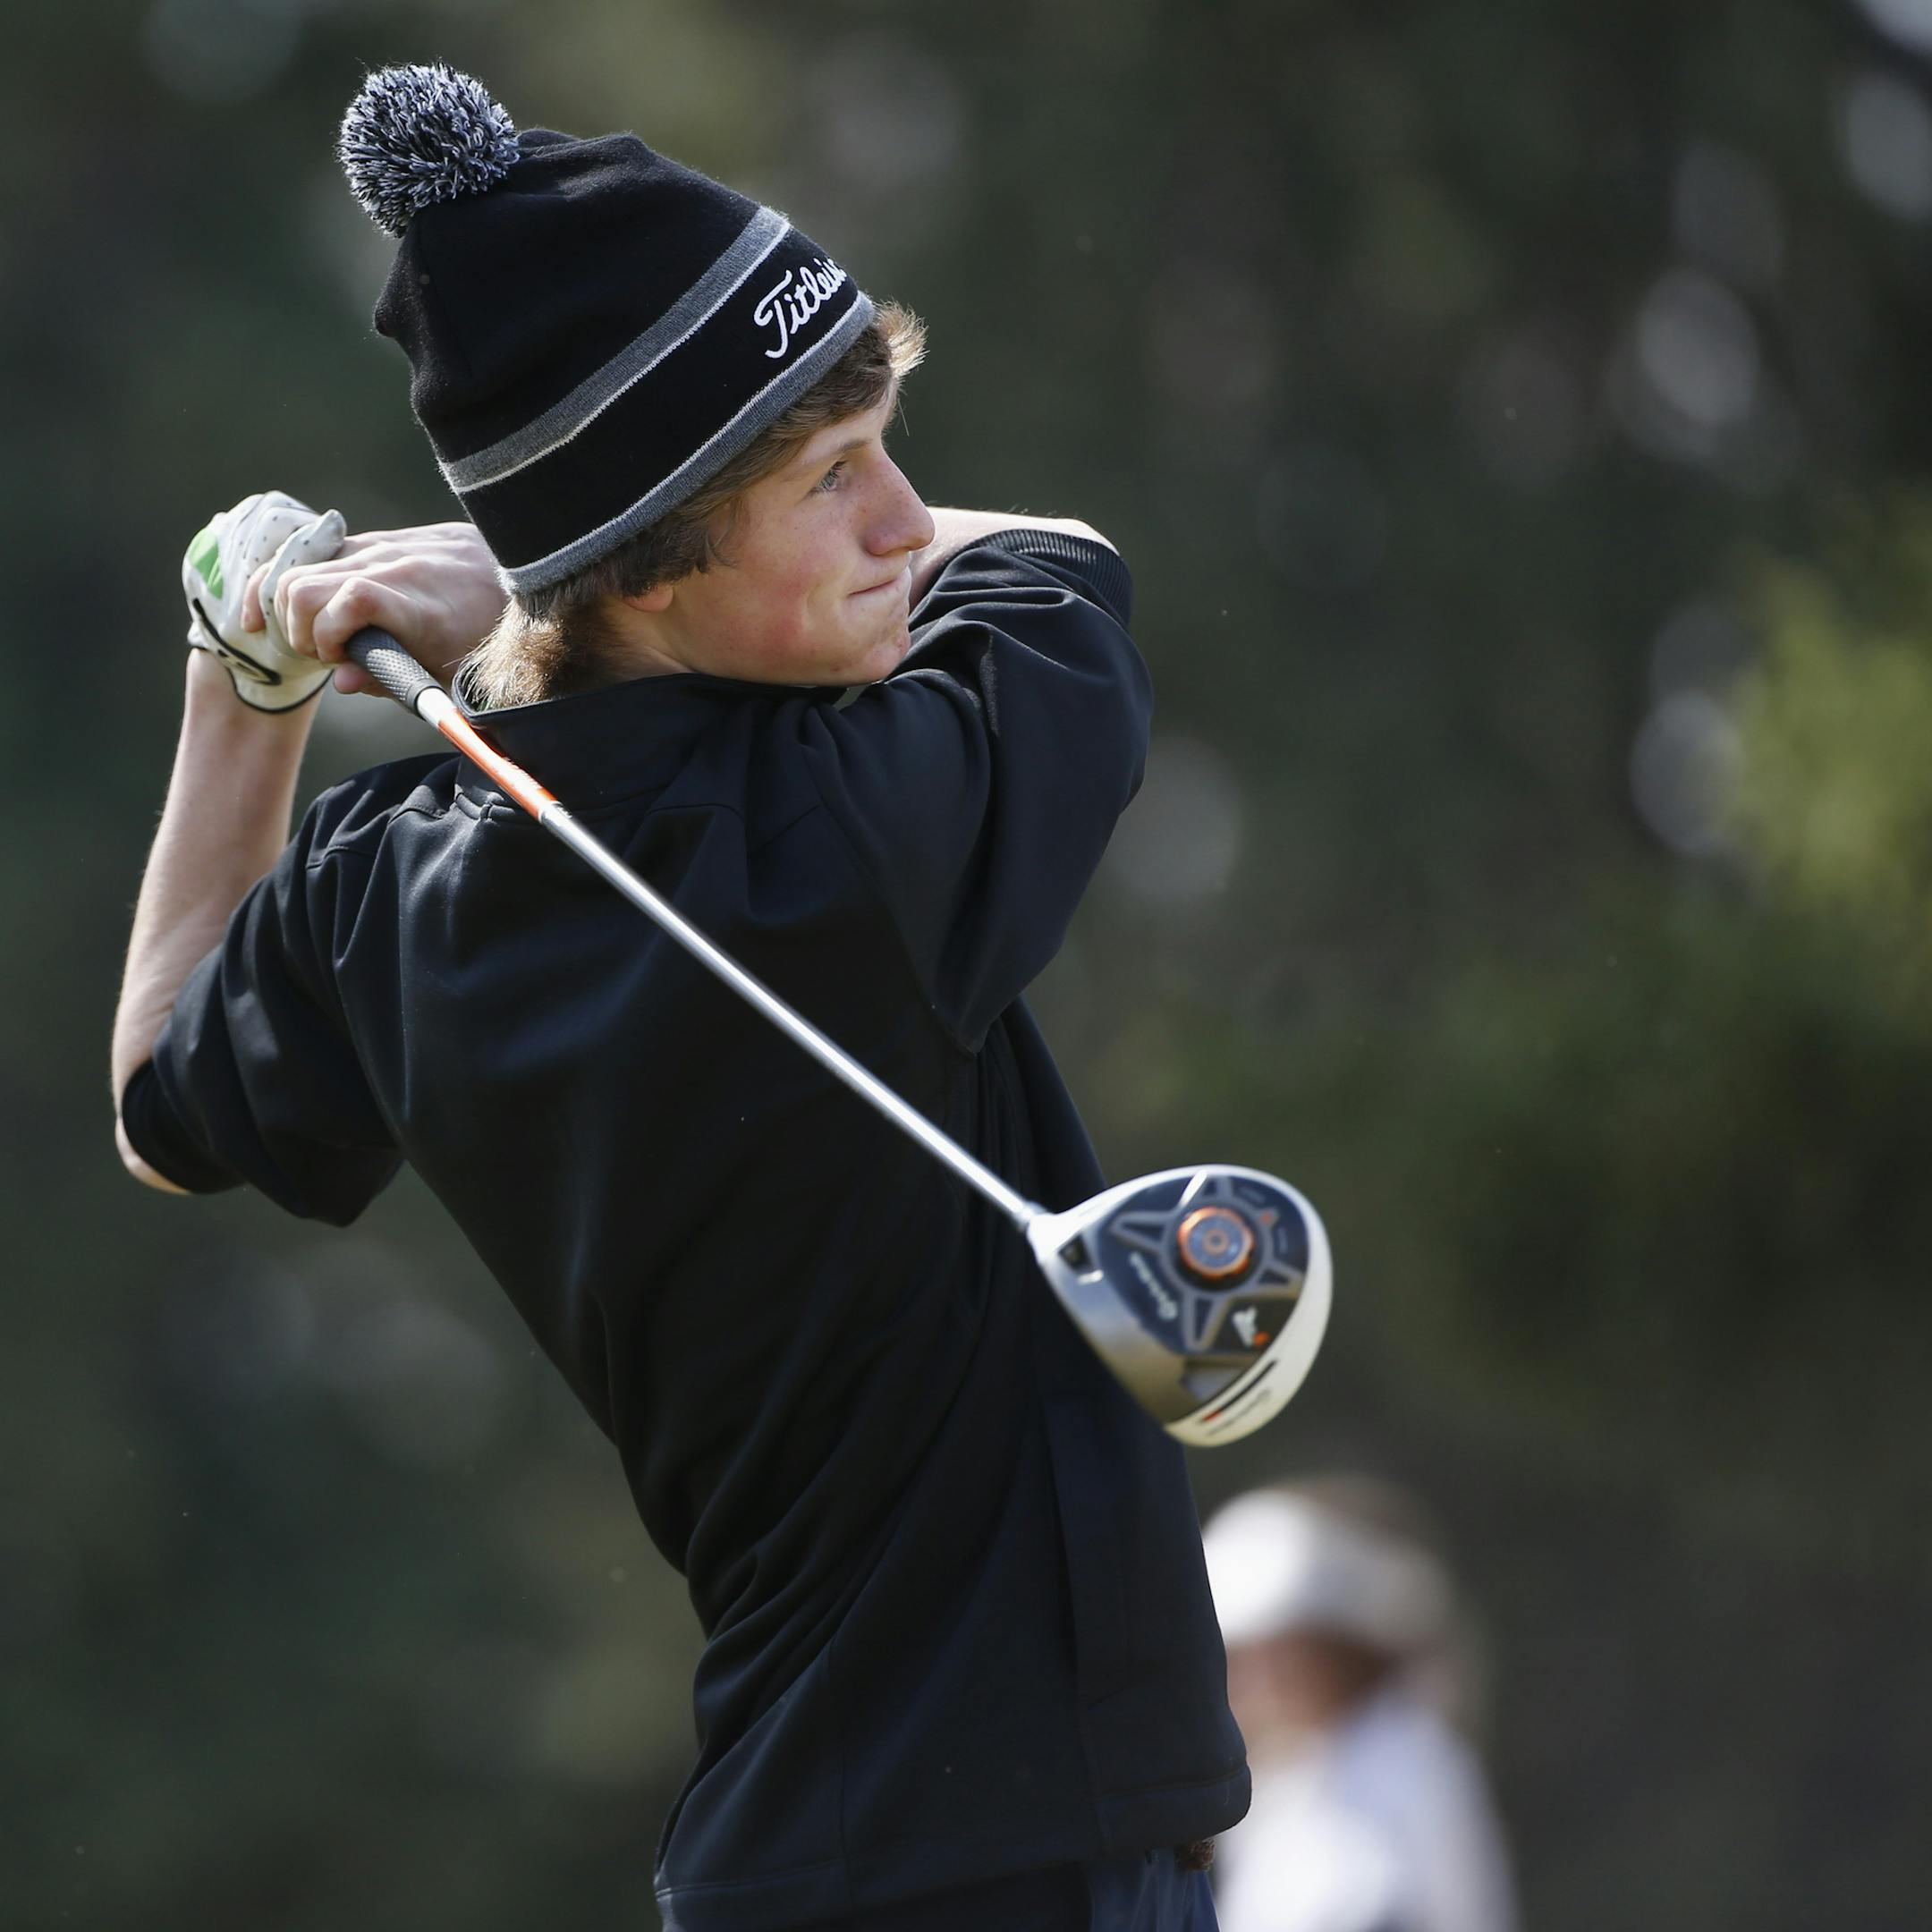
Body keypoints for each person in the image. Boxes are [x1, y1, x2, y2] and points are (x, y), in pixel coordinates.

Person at [110, 63, 1242, 1932]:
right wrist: (503, 582)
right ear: (641, 565)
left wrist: (240, 690)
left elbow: (160, 1089)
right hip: (1011, 1867)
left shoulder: (388, 883)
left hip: (793, 1860)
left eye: (890, 441)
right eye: (830, 478)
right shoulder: (860, 831)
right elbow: (1059, 568)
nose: (896, 519)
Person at [1200, 1483, 1520, 1932]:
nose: (1254, 1681)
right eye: (1241, 1658)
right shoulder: (1296, 1777)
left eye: (1277, 1656)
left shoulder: (1397, 1761)